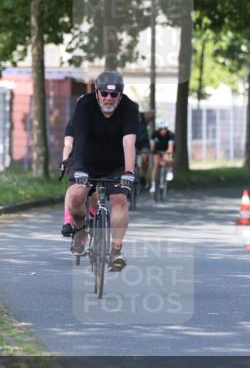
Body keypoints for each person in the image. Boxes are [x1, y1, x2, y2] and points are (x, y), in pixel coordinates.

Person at [66, 72, 138, 270]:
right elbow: (79, 138)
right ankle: (80, 230)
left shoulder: (130, 108)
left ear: (120, 96)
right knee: (75, 196)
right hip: (86, 161)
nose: (109, 98)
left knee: (119, 199)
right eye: (104, 93)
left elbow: (129, 142)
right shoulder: (85, 105)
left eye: (114, 95)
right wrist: (79, 169)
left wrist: (129, 173)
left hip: (117, 163)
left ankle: (116, 250)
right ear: (97, 93)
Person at [149, 119, 175, 192]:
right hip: (157, 150)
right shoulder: (154, 133)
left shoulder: (170, 135)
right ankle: (153, 185)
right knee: (156, 165)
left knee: (168, 159)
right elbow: (152, 145)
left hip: (166, 150)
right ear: (158, 129)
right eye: (161, 129)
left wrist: (167, 153)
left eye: (165, 129)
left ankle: (170, 170)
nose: (163, 131)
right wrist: (152, 150)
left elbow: (170, 148)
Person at [136, 110, 155, 190]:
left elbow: (153, 112)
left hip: (144, 143)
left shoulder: (143, 117)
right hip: (132, 142)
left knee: (144, 158)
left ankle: (142, 176)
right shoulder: (126, 117)